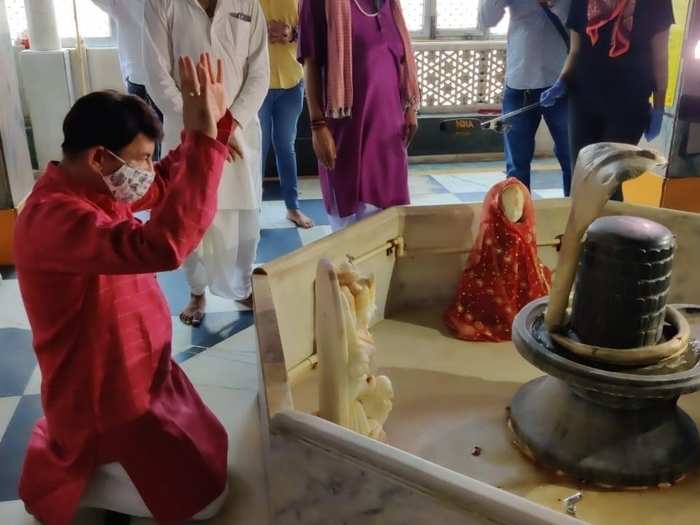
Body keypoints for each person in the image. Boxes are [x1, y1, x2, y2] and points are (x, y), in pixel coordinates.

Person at [15, 54, 230, 525]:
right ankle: (97, 480)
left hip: (142, 372)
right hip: (102, 394)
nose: (147, 171)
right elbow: (163, 246)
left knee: (209, 463)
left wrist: (209, 128)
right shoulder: (53, 217)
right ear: (98, 157)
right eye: (141, 159)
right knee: (205, 500)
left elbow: (167, 185)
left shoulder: (101, 188)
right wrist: (203, 141)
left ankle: (117, 480)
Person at [144, 0, 270, 325]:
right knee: (190, 218)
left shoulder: (248, 5)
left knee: (241, 215)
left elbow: (259, 73)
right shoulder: (161, 4)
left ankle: (241, 286)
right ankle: (197, 291)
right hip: (187, 131)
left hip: (237, 134)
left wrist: (226, 128)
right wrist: (201, 127)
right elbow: (157, 76)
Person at [298, 0, 420, 231]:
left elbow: (400, 57)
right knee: (350, 237)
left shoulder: (389, 4)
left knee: (389, 229)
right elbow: (310, 61)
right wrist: (317, 125)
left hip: (389, 136)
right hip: (347, 132)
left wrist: (411, 109)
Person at [541, 0, 674, 199]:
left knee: (609, 179)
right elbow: (576, 51)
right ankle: (580, 229)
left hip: (629, 104)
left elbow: (660, 57)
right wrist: (562, 82)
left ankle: (608, 228)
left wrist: (659, 106)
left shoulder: (656, 3)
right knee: (582, 175)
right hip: (583, 100)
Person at [479, 0, 573, 196]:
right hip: (519, 85)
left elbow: (578, 22)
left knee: (571, 158)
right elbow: (487, 20)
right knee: (516, 166)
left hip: (561, 85)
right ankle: (518, 223)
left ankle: (574, 217)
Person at [259, 0, 314, 229]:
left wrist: (293, 34)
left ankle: (292, 208)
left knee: (285, 146)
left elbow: (313, 32)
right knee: (257, 149)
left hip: (292, 81)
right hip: (256, 83)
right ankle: (253, 210)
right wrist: (262, 31)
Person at [90, 0, 163, 159]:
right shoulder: (123, 3)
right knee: (149, 129)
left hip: (153, 76)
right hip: (146, 77)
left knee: (148, 130)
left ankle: (152, 167)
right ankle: (152, 168)